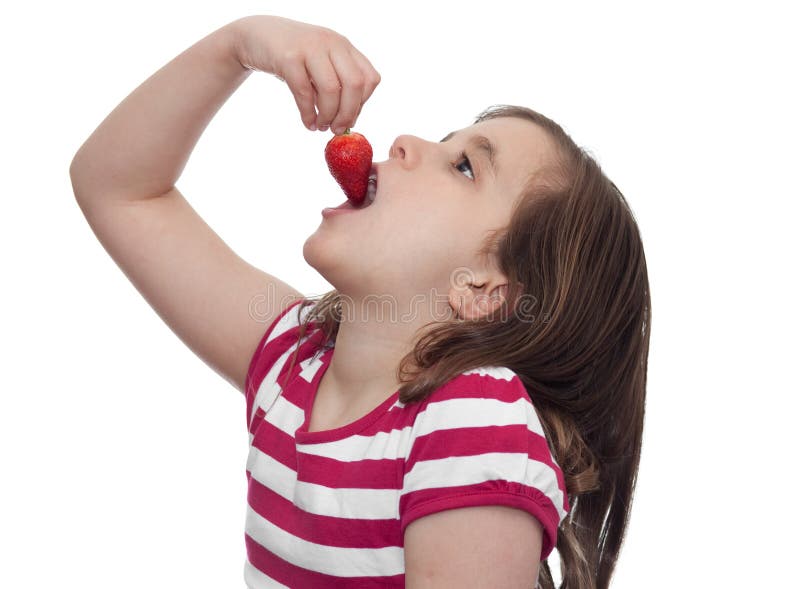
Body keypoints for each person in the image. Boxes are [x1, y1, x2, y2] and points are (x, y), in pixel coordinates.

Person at [70, 13, 650, 589]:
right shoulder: (293, 367)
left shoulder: (474, 419)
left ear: (480, 286)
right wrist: (239, 44)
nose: (404, 142)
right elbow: (119, 189)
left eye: (464, 166)